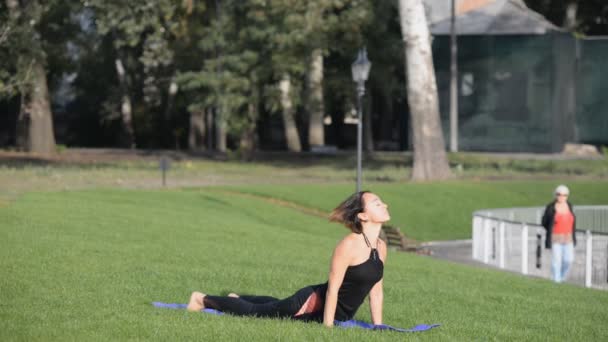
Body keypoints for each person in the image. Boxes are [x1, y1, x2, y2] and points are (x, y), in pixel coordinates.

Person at [187, 191, 389, 327]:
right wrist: (328, 330)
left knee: (275, 305)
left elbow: (376, 292)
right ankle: (201, 299)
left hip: (336, 314)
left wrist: (377, 327)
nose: (384, 205)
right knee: (258, 312)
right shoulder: (348, 245)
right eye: (377, 203)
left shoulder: (381, 247)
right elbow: (333, 290)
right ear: (363, 216)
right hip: (313, 304)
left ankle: (236, 298)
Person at [541, 184, 576, 283]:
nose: (561, 197)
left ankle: (561, 277)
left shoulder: (569, 206)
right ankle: (556, 281)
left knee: (568, 260)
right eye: (559, 194)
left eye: (564, 195)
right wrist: (551, 227)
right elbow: (544, 222)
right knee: (556, 260)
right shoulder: (551, 207)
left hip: (568, 238)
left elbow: (572, 222)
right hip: (555, 238)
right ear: (555, 195)